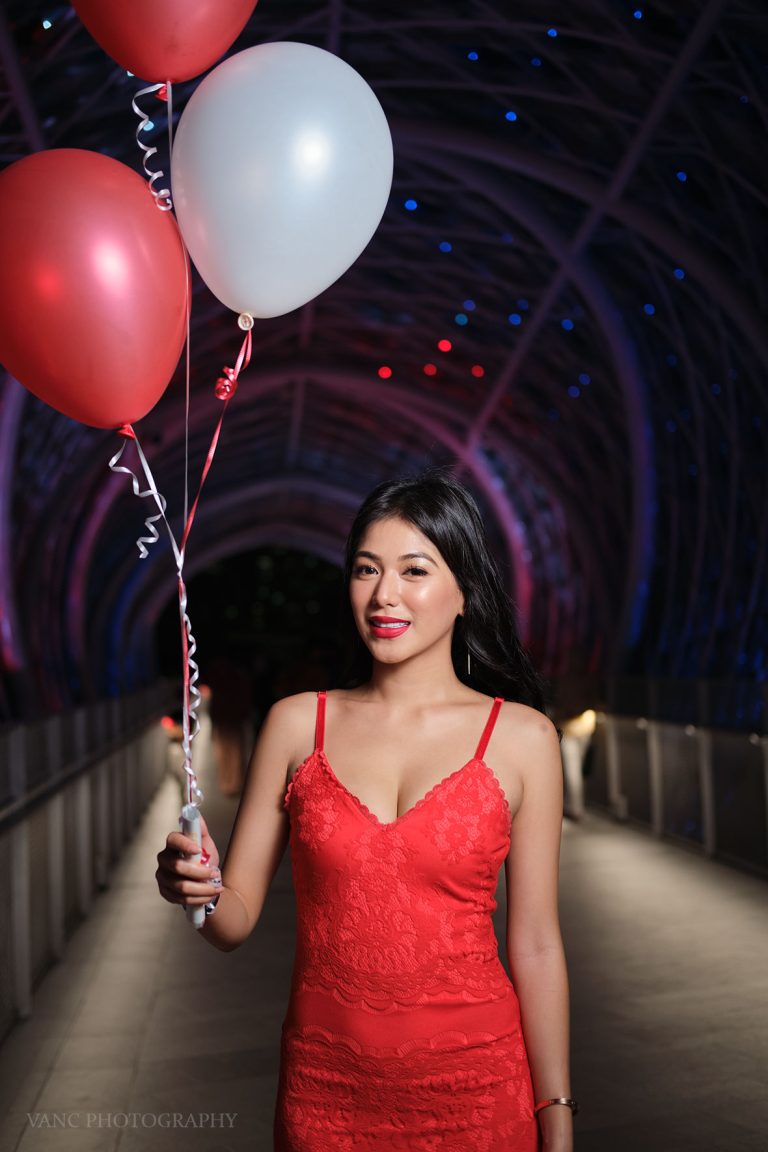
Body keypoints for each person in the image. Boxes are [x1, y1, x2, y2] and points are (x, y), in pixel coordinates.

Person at [156, 471, 575, 1151]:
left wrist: (555, 1113)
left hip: (477, 1090)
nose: (384, 594)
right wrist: (195, 893)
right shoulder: (297, 726)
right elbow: (232, 922)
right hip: (326, 1094)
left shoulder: (523, 738)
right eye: (365, 569)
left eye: (415, 570)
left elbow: (535, 942)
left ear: (465, 590)